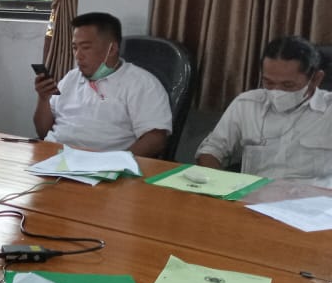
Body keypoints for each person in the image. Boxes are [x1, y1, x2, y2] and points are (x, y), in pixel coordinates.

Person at [196, 35, 331, 186]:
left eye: (288, 85)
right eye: (269, 82)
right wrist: (217, 185)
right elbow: (211, 150)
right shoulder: (246, 104)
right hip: (255, 195)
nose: (277, 91)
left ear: (315, 79)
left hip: (314, 198)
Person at [33, 12, 172, 157]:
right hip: (54, 156)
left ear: (112, 49)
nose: (78, 56)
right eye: (75, 48)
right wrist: (43, 99)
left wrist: (116, 162)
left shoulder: (141, 83)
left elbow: (156, 139)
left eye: (86, 47)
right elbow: (43, 132)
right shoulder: (71, 78)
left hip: (103, 163)